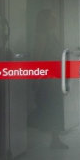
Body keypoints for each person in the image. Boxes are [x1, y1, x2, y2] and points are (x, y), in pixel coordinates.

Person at [29, 9, 68, 149]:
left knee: (55, 107)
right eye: (51, 18)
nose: (55, 20)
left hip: (55, 77)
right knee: (48, 107)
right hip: (47, 78)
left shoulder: (51, 34)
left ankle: (55, 138)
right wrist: (36, 78)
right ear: (45, 20)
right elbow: (37, 58)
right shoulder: (41, 35)